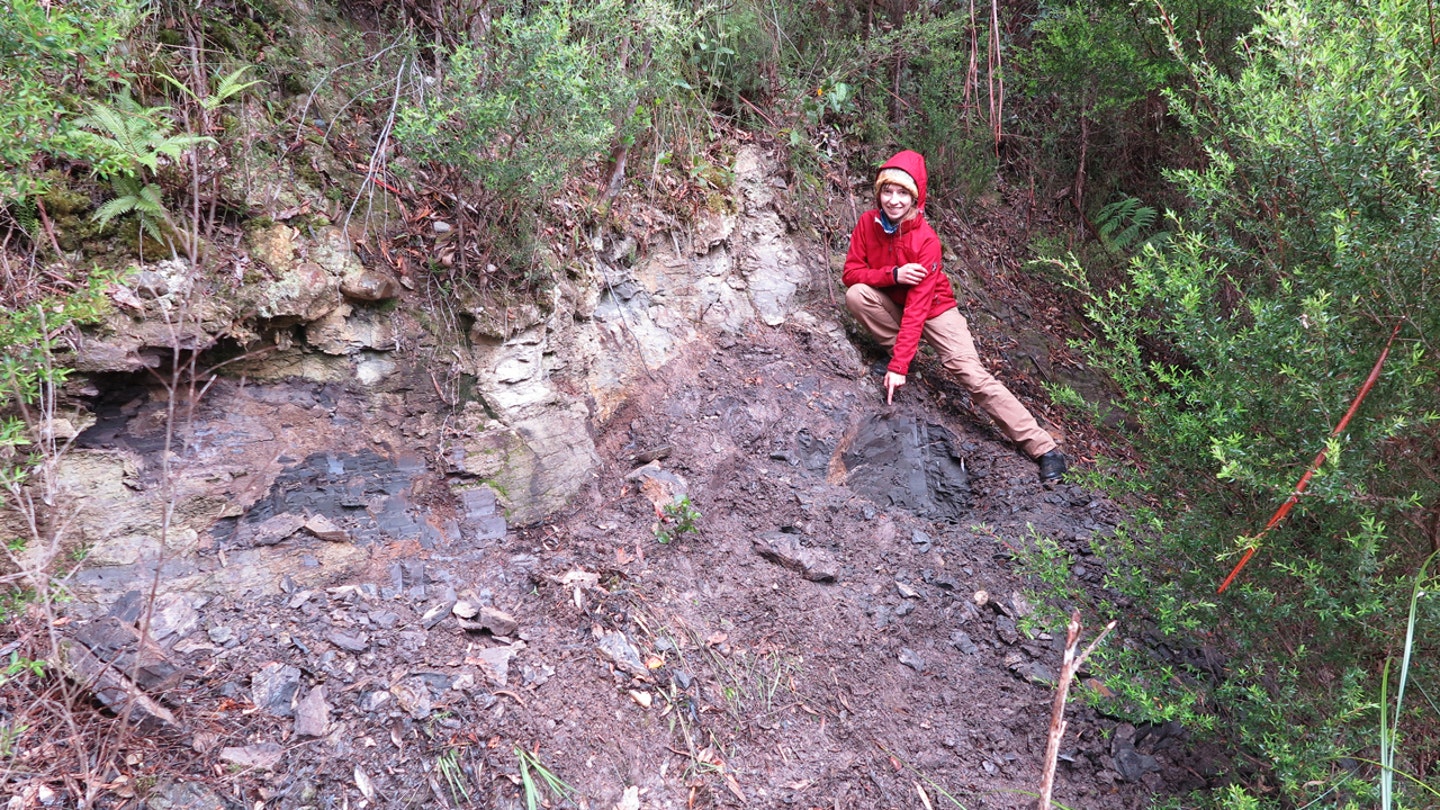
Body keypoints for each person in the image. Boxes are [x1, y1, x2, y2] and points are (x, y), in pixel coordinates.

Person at [841, 149, 1068, 483]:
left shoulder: (926, 240)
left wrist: (897, 367)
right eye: (887, 191)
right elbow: (851, 273)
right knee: (857, 295)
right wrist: (893, 275)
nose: (893, 200)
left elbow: (918, 307)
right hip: (892, 298)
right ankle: (903, 352)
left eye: (903, 192)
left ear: (915, 197)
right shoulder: (867, 223)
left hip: (935, 309)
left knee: (971, 374)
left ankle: (1044, 449)